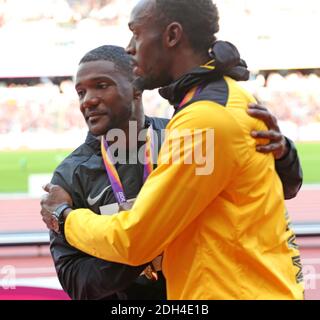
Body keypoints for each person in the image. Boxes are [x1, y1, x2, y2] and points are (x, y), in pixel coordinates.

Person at [41, 0, 304, 299]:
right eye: (80, 91)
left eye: (136, 34)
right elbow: (78, 280)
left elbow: (136, 239)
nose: (130, 47)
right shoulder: (224, 98)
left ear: (172, 35)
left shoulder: (199, 121)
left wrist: (64, 218)